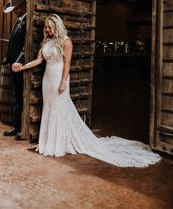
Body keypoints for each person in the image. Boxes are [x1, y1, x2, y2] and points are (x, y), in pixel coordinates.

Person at [12, 14, 161, 167]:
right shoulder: (47, 41)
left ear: (57, 26)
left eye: (50, 27)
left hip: (59, 78)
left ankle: (59, 143)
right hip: (47, 80)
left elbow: (67, 64)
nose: (48, 29)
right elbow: (39, 60)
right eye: (46, 27)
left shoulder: (66, 41)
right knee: (49, 109)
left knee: (59, 109)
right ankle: (48, 142)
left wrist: (63, 82)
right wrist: (22, 67)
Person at [2, 0, 27, 139]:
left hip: (20, 66)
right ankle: (17, 126)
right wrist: (8, 59)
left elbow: (25, 46)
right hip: (13, 64)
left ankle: (19, 128)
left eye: (16, 9)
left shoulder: (27, 21)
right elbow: (13, 43)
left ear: (23, 6)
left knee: (20, 97)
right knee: (17, 96)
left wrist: (18, 61)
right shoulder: (18, 21)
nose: (14, 12)